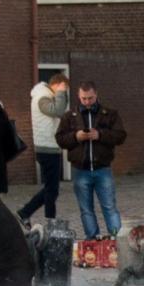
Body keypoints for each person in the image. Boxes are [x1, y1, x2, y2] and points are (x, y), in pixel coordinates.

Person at [56, 80, 126, 238]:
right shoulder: (69, 116)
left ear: (96, 95)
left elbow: (121, 136)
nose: (87, 102)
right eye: (84, 98)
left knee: (109, 207)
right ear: (78, 96)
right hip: (80, 170)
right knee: (86, 210)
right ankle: (92, 240)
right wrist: (76, 137)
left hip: (103, 168)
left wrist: (100, 135)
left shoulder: (110, 114)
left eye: (90, 98)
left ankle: (117, 239)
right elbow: (60, 139)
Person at [18, 72, 71, 224]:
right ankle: (48, 220)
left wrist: (61, 94)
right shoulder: (42, 98)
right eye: (64, 88)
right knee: (51, 189)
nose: (64, 91)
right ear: (57, 84)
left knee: (51, 189)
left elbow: (61, 109)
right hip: (47, 148)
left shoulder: (45, 96)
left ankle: (26, 212)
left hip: (50, 147)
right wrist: (60, 93)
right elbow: (58, 111)